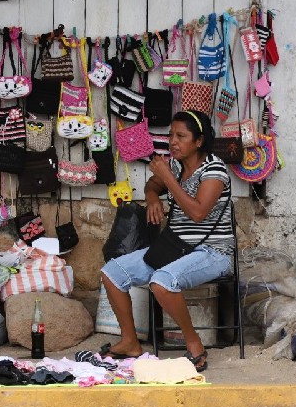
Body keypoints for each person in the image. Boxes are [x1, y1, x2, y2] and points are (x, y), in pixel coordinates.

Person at [99, 111, 234, 372]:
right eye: (171, 135)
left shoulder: (214, 170)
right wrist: (153, 198)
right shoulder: (176, 165)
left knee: (162, 282)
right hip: (176, 246)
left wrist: (168, 178)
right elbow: (152, 184)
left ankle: (195, 345)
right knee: (112, 273)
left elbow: (197, 213)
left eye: (181, 136)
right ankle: (130, 342)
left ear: (198, 141)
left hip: (212, 251)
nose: (173, 142)